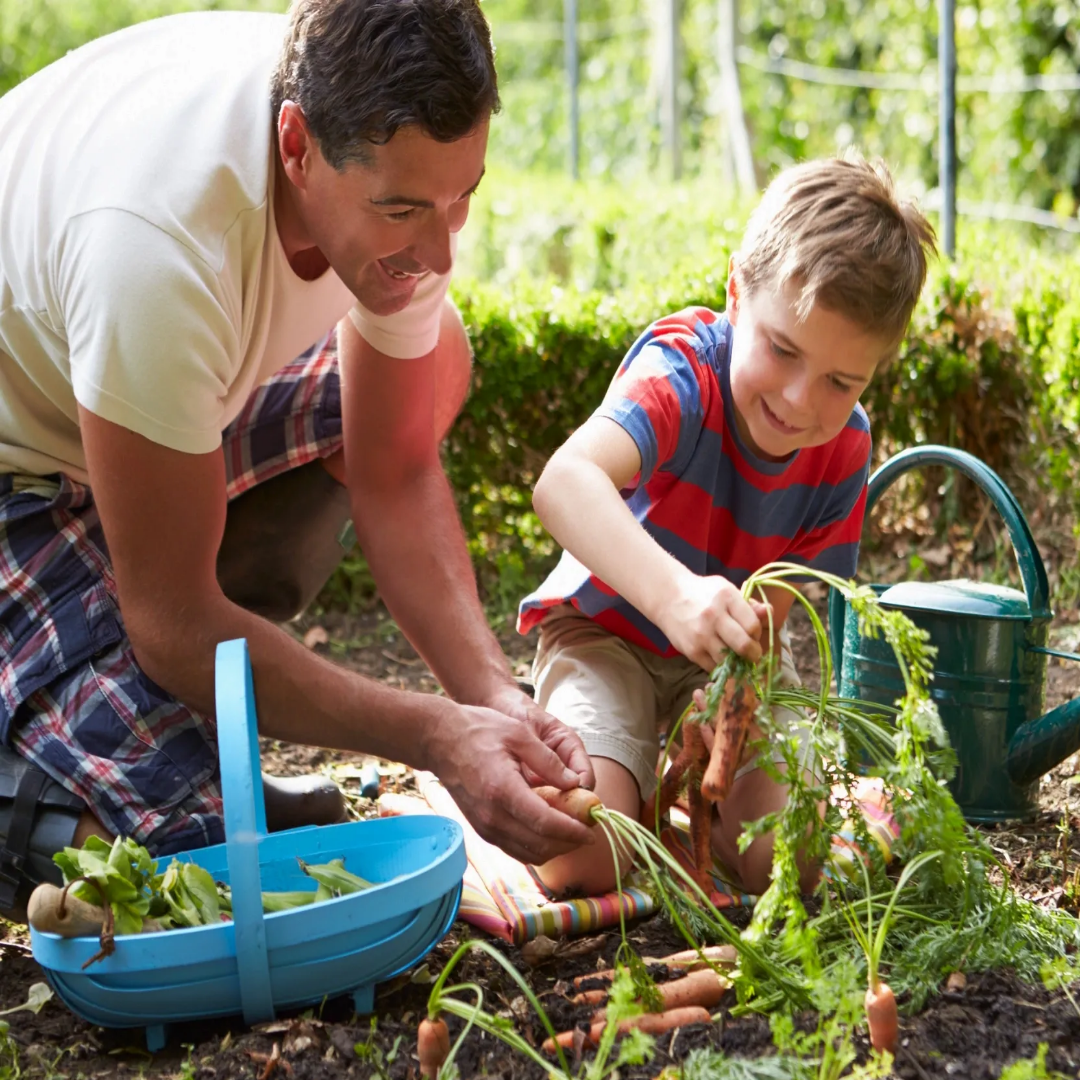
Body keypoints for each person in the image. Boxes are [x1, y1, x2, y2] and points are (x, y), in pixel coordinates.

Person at [0, 0, 595, 917]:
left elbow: (395, 470)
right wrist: (435, 736)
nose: (441, 249)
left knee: (435, 361)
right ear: (295, 146)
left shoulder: (390, 159)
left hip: (132, 409)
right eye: (402, 209)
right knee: (181, 868)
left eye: (462, 196)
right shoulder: (158, 248)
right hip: (22, 468)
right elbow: (172, 619)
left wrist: (492, 698)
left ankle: (160, 687)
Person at [518, 156, 936, 898]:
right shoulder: (682, 374)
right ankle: (615, 781)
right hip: (607, 633)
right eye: (783, 349)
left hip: (725, 665)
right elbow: (563, 482)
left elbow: (773, 611)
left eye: (842, 381)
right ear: (736, 293)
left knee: (790, 861)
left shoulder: (845, 449)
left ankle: (672, 804)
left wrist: (730, 695)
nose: (801, 400)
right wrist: (675, 596)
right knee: (579, 855)